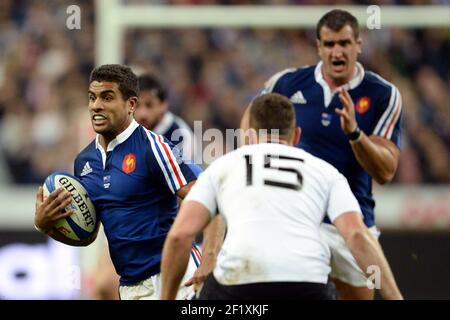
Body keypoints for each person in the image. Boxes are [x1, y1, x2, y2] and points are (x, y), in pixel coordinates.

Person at [160, 93, 402, 300]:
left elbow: (180, 235)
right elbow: (358, 235)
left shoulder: (222, 167)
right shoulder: (326, 172)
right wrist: (394, 296)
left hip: (241, 283)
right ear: (296, 136)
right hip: (308, 284)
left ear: (251, 135)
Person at [34, 64, 216, 300]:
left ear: (131, 105)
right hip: (131, 289)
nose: (96, 105)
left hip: (176, 281)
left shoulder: (154, 148)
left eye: (107, 97)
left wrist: (210, 258)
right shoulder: (84, 161)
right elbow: (87, 233)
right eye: (92, 97)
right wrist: (45, 224)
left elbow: (210, 197)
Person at [260, 9, 402, 300]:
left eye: (344, 43)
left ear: (358, 45)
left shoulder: (382, 94)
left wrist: (355, 133)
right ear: (318, 47)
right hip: (299, 219)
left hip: (351, 222)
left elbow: (385, 172)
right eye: (329, 44)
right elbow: (251, 123)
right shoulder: (285, 84)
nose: (337, 51)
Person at [93, 72, 224, 299]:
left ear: (163, 105)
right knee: (103, 285)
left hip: (160, 224)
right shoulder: (110, 142)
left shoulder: (176, 136)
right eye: (138, 105)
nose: (142, 113)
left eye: (149, 105)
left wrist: (205, 251)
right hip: (128, 222)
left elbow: (189, 194)